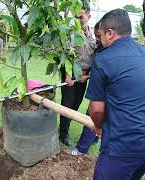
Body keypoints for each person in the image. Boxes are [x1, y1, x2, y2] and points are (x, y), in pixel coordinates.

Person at [86, 9, 145, 180]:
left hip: (126, 144)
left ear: (110, 33)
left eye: (100, 35)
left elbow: (97, 109)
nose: (98, 40)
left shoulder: (103, 59)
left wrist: (99, 127)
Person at [59, 3, 96, 146]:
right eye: (75, 17)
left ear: (89, 16)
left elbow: (93, 56)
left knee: (76, 104)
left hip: (84, 75)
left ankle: (66, 127)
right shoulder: (71, 33)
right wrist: (68, 75)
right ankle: (63, 133)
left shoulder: (93, 35)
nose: (77, 20)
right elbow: (66, 55)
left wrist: (87, 75)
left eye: (81, 17)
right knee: (67, 104)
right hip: (71, 73)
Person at [69, 21, 103, 156]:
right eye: (96, 36)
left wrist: (85, 77)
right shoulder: (101, 47)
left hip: (101, 87)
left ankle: (82, 149)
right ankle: (94, 138)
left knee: (93, 114)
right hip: (92, 80)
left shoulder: (106, 50)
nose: (97, 39)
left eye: (99, 36)